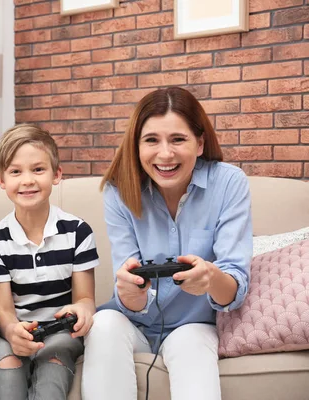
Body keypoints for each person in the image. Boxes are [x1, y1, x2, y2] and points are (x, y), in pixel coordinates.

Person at [82, 87, 252, 400]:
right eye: (151, 140)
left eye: (178, 139)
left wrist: (210, 278)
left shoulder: (229, 184)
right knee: (103, 324)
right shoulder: (118, 192)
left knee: (189, 344)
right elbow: (129, 294)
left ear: (199, 144)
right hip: (133, 322)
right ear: (136, 146)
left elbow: (234, 290)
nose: (165, 154)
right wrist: (130, 291)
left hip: (195, 324)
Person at [0, 124, 99, 399]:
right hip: (17, 331)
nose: (27, 180)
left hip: (60, 334)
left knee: (53, 365)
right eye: (15, 171)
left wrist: (83, 312)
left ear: (56, 174)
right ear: (1, 180)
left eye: (38, 169)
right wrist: (12, 333)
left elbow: (84, 298)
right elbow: (4, 311)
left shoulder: (78, 232)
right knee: (7, 364)